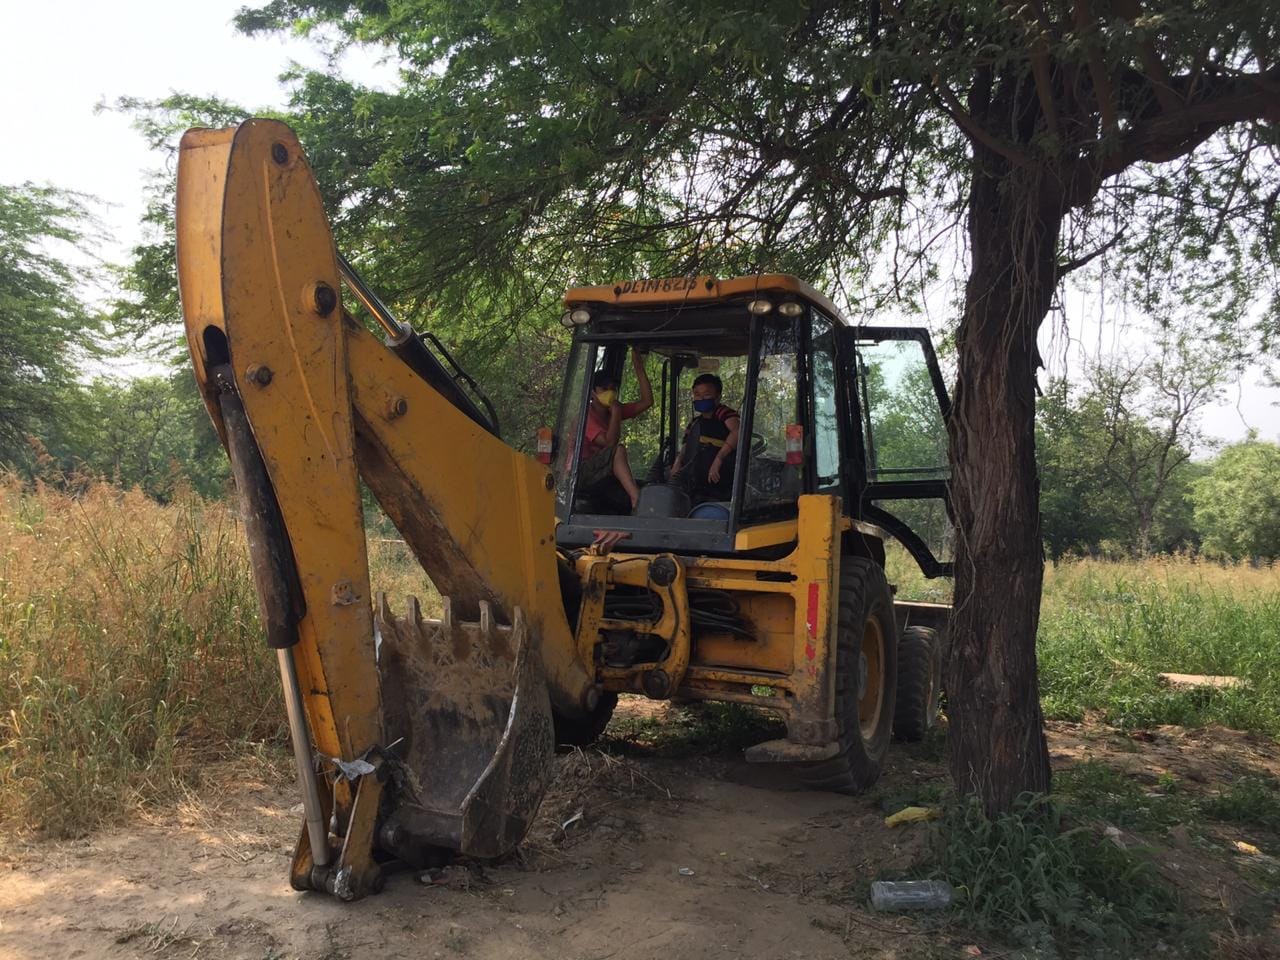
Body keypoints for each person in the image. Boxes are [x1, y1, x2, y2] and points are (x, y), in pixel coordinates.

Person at [576, 347, 653, 511]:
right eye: (604, 389)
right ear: (592, 393)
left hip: (601, 473)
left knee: (648, 487)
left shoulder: (612, 410)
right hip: (580, 472)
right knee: (617, 451)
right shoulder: (586, 416)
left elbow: (647, 402)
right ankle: (636, 500)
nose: (610, 392)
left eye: (612, 388)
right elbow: (609, 443)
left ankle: (638, 497)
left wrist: (639, 368)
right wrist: (617, 413)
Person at [670, 373, 740, 503]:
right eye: (697, 395)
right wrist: (677, 463)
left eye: (706, 395)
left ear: (718, 397)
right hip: (698, 482)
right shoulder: (696, 422)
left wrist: (719, 459)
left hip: (723, 481)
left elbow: (737, 431)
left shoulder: (724, 413)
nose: (701, 398)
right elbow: (686, 444)